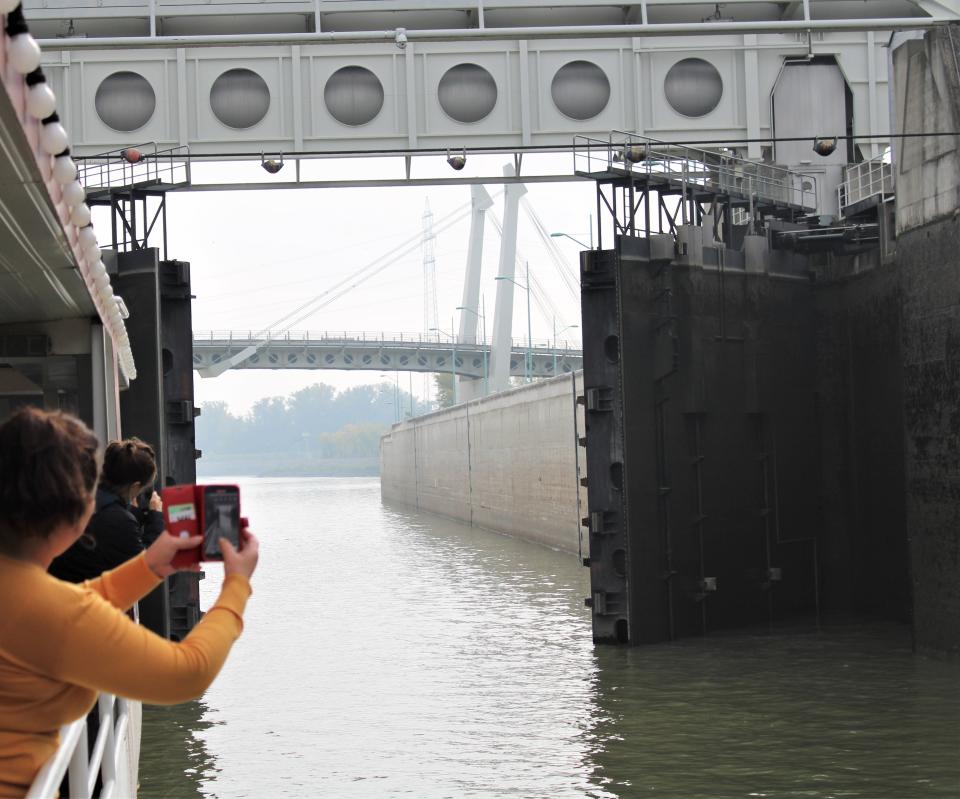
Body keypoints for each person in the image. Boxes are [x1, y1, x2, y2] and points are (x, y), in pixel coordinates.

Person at [0, 407, 259, 798]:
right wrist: (237, 585)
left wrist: (151, 566)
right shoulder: (53, 612)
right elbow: (188, 672)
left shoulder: (23, 592)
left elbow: (66, 605)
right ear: (75, 514)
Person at [49, 437, 165, 584]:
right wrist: (156, 517)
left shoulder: (81, 491)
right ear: (135, 486)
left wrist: (131, 513)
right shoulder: (119, 522)